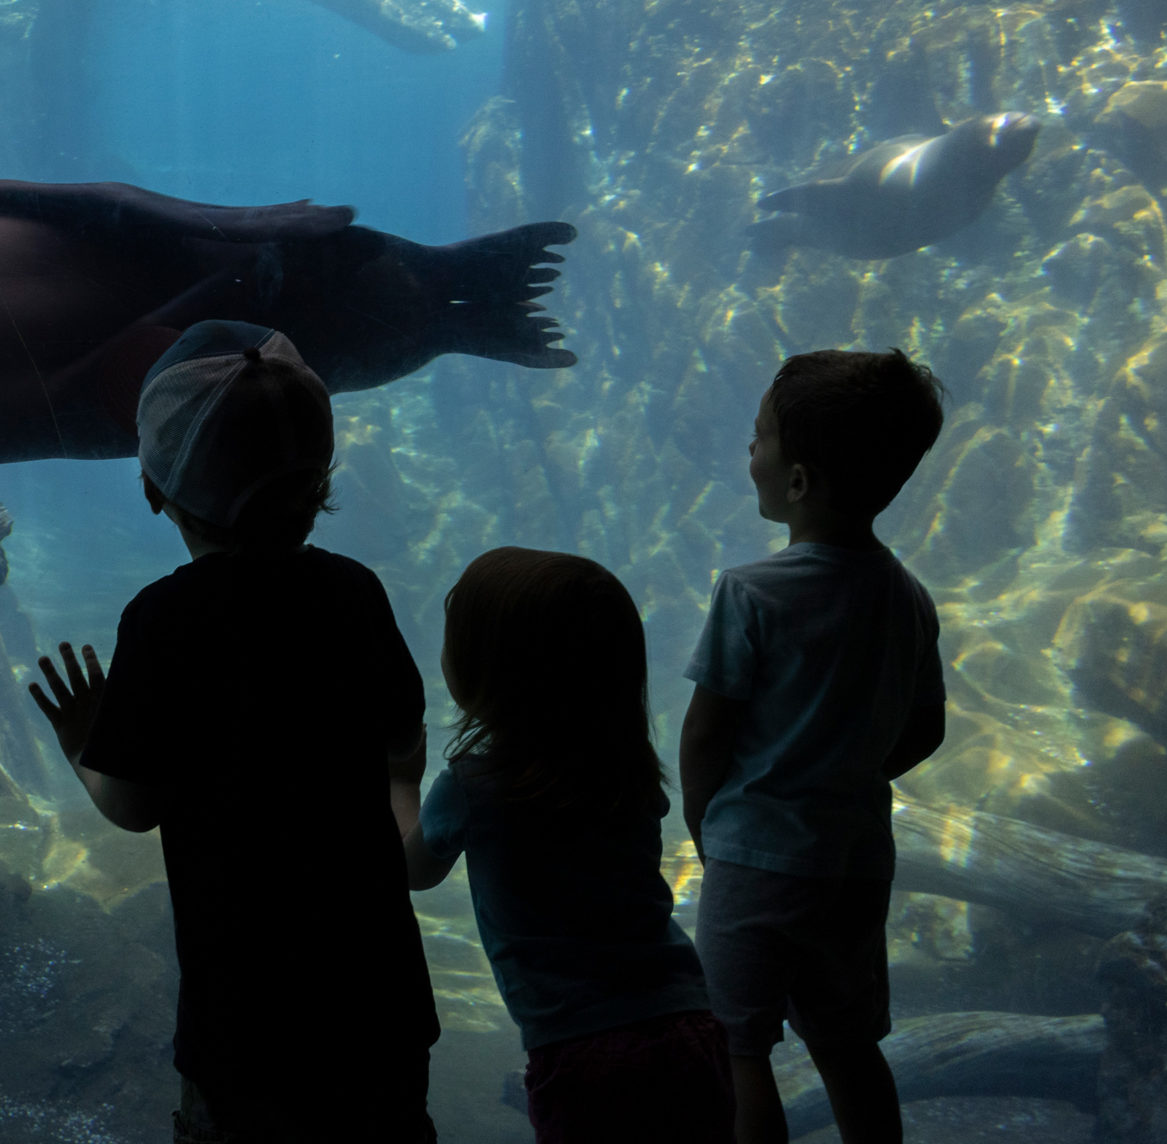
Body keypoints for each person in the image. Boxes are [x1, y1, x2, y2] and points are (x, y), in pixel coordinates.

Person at [27, 320, 438, 1144]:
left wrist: (81, 744)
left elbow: (135, 805)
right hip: (379, 995)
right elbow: (404, 741)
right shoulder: (355, 593)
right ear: (319, 483)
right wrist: (398, 814)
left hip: (244, 1015)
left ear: (153, 486)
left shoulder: (165, 620)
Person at [680, 349, 950, 1144]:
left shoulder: (749, 591)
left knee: (738, 1048)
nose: (749, 451)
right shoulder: (909, 598)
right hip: (855, 861)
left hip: (754, 858)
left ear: (796, 481)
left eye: (758, 437)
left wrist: (709, 818)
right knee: (846, 1042)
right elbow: (926, 728)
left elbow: (705, 731)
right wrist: (848, 772)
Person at [402, 546, 732, 1141]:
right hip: (690, 1025)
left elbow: (412, 869)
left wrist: (400, 779)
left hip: (581, 1053)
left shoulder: (470, 787)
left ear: (491, 674)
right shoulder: (628, 773)